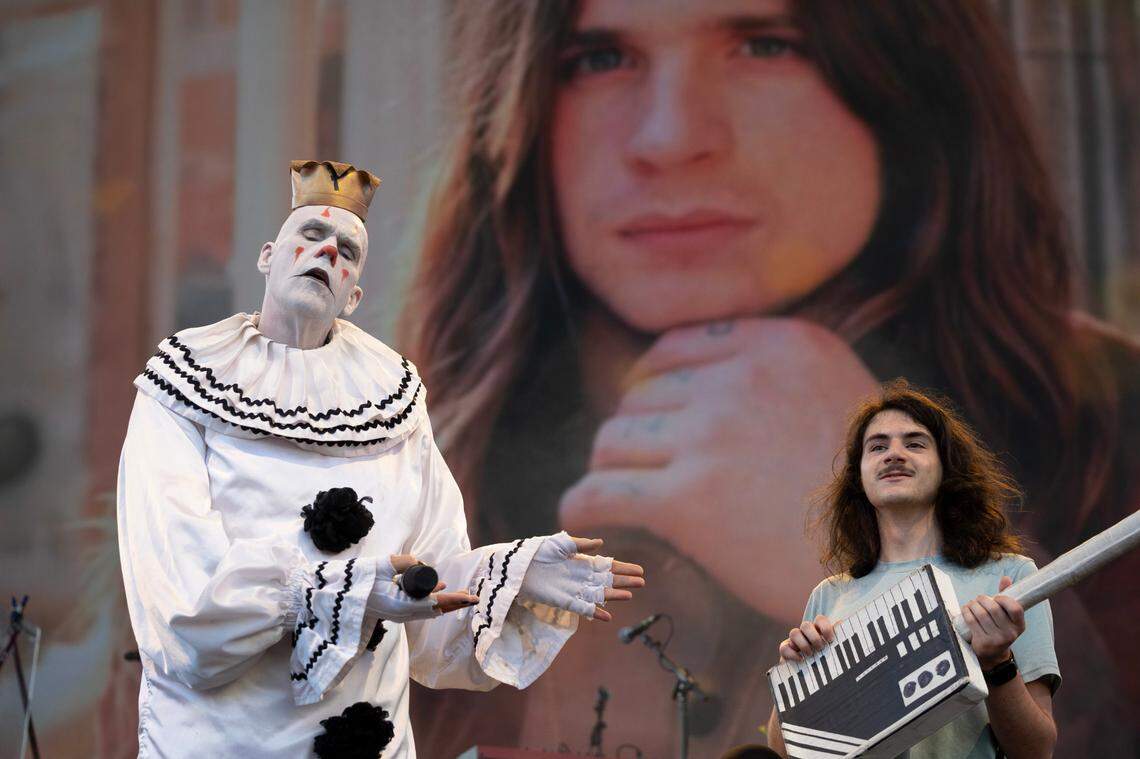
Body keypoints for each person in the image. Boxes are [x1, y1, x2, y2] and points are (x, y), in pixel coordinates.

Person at [398, 0, 1139, 755]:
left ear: (911, 75)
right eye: (600, 59)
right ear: (520, 115)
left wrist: (889, 568)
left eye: (764, 45)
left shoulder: (1103, 414)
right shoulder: (410, 447)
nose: (670, 138)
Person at [116, 159, 644, 758]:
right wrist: (352, 591)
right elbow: (186, 624)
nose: (327, 252)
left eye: (347, 251)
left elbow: (432, 596)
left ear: (354, 296)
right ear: (268, 256)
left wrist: (509, 579)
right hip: (225, 739)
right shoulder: (186, 383)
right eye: (311, 235)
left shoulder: (391, 399)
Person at [766, 381, 1058, 758]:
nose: (894, 454)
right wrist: (795, 673)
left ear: (946, 468)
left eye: (915, 444)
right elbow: (785, 752)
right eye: (878, 446)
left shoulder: (1010, 576)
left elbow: (1036, 750)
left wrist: (997, 663)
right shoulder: (830, 594)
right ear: (859, 476)